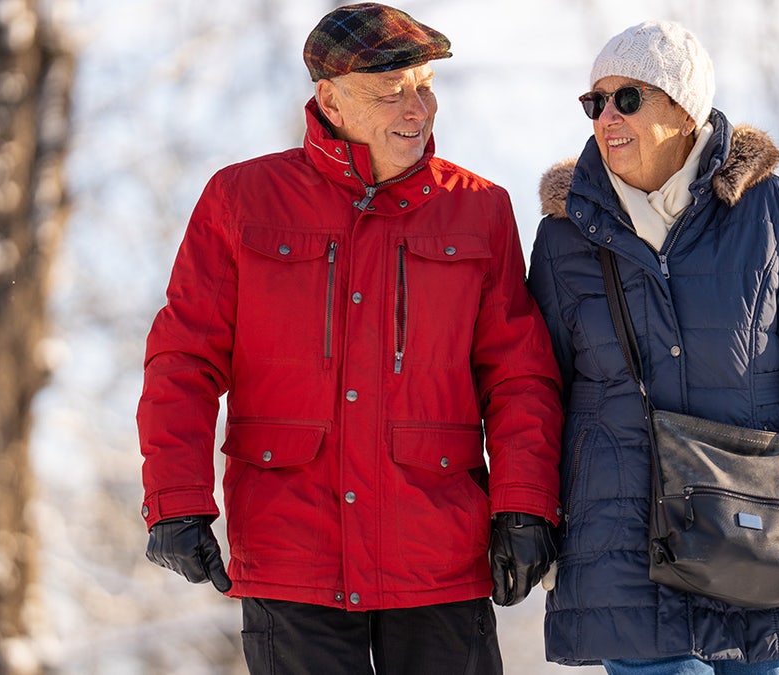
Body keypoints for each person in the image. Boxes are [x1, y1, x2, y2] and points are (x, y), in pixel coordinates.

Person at [137, 3, 563, 674]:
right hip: (292, 550)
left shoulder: (478, 210)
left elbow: (519, 376)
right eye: (391, 91)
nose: (418, 106)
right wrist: (176, 499)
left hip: (437, 553)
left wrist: (525, 505)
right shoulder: (240, 201)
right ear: (329, 100)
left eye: (425, 84)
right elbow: (182, 361)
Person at [527, 20, 779, 675]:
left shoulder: (769, 214)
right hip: (622, 563)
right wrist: (537, 522)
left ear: (683, 109)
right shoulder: (566, 236)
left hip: (757, 552)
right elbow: (535, 395)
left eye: (628, 98)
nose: (606, 116)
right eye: (594, 101)